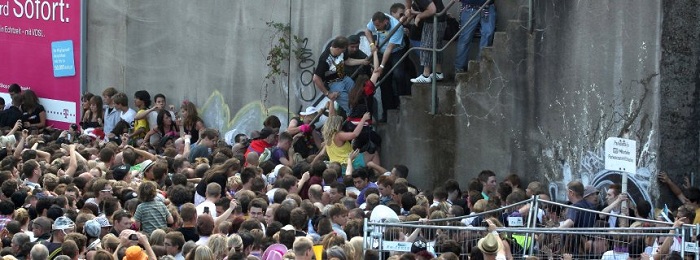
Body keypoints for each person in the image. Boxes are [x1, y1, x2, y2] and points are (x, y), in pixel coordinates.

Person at [365, 11, 408, 119]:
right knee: (384, 81)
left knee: (399, 75)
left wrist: (382, 66)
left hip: (396, 51)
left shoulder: (396, 27)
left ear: (385, 21)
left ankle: (401, 103)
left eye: (378, 26)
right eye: (375, 26)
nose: (377, 28)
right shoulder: (375, 21)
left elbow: (389, 49)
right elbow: (367, 31)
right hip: (381, 51)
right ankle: (387, 112)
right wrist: (372, 44)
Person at [312, 36, 369, 114]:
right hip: (333, 83)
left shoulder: (342, 51)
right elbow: (316, 78)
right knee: (349, 106)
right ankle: (355, 121)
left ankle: (362, 117)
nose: (343, 52)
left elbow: (347, 61)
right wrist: (328, 94)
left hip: (344, 78)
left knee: (358, 97)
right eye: (342, 50)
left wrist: (362, 61)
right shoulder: (325, 59)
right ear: (337, 48)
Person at [406, 0, 447, 83]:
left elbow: (432, 10)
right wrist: (407, 9)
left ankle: (426, 75)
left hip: (433, 21)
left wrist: (419, 16)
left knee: (426, 46)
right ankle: (438, 72)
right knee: (436, 46)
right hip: (439, 19)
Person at [454, 0, 496, 73]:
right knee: (465, 38)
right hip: (470, 7)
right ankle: (459, 68)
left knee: (488, 34)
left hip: (487, 6)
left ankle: (480, 66)